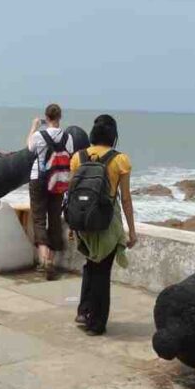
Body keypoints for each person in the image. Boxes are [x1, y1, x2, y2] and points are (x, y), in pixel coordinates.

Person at [70, 114, 137, 336]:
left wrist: (71, 227)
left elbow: (72, 195)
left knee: (90, 266)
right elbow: (125, 199)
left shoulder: (78, 157)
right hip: (107, 223)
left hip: (83, 221)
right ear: (113, 135)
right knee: (102, 272)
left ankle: (84, 311)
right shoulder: (120, 160)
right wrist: (132, 231)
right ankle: (97, 323)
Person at [26, 104, 74, 280]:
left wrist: (34, 127)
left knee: (39, 219)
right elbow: (69, 154)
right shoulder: (67, 137)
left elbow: (30, 147)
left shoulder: (39, 135)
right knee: (54, 218)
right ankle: (51, 261)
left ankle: (43, 260)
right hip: (58, 180)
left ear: (46, 117)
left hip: (39, 178)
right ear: (60, 117)